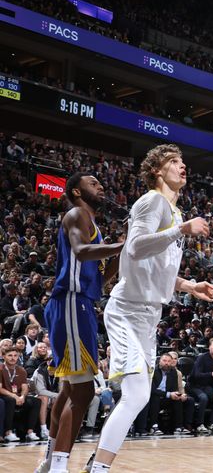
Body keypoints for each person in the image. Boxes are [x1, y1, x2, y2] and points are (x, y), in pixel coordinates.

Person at [85, 144, 213, 473]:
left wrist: (190, 285)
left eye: (182, 161)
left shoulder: (174, 212)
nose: (182, 166)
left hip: (149, 315)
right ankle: (97, 466)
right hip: (128, 310)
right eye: (173, 162)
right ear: (157, 171)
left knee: (139, 396)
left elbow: (158, 267)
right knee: (134, 394)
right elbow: (133, 249)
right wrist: (181, 230)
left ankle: (98, 463)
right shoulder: (153, 201)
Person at [36, 172, 124, 473]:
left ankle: (50, 460)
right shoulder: (76, 214)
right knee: (84, 391)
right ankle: (58, 466)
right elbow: (81, 251)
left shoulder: (93, 224)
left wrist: (125, 250)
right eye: (93, 183)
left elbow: (100, 280)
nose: (101, 186)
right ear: (75, 191)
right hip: (73, 303)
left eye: (101, 182)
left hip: (79, 302)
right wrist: (117, 246)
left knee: (71, 389)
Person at [0, 346, 41, 442]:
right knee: (10, 400)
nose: (13, 358)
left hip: (18, 396)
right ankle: (8, 433)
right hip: (4, 395)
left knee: (36, 401)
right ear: (3, 356)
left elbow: (25, 387)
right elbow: (0, 388)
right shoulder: (1, 368)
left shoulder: (21, 370)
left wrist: (22, 396)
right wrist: (14, 396)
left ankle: (30, 432)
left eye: (15, 355)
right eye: (10, 355)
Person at [190, 337, 213, 434]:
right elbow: (196, 375)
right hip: (194, 385)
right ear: (209, 347)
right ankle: (199, 424)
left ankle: (211, 423)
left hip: (207, 386)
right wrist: (211, 374)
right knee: (203, 398)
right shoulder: (202, 358)